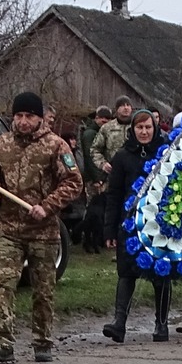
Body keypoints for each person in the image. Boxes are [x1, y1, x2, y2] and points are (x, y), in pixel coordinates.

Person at [0, 90, 83, 362]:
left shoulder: (56, 146)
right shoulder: (1, 145)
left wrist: (47, 206)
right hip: (8, 230)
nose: (23, 121)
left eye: (29, 116)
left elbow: (73, 182)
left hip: (43, 232)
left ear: (39, 117)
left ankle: (42, 340)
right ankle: (2, 342)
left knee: (43, 290)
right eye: (19, 115)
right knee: (3, 285)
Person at [102, 109, 169, 341]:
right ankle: (119, 322)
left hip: (160, 223)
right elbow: (114, 194)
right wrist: (110, 228)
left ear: (155, 128)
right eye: (139, 128)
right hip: (129, 223)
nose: (144, 132)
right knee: (127, 272)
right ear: (133, 129)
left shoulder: (165, 153)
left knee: (161, 273)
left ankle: (161, 324)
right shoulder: (122, 156)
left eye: (148, 127)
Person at [78, 105, 112, 253]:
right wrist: (97, 178)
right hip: (94, 179)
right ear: (96, 118)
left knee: (98, 213)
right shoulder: (90, 134)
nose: (104, 122)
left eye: (107, 120)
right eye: (102, 119)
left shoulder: (100, 133)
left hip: (101, 177)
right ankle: (87, 239)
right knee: (92, 213)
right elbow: (90, 158)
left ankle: (96, 240)